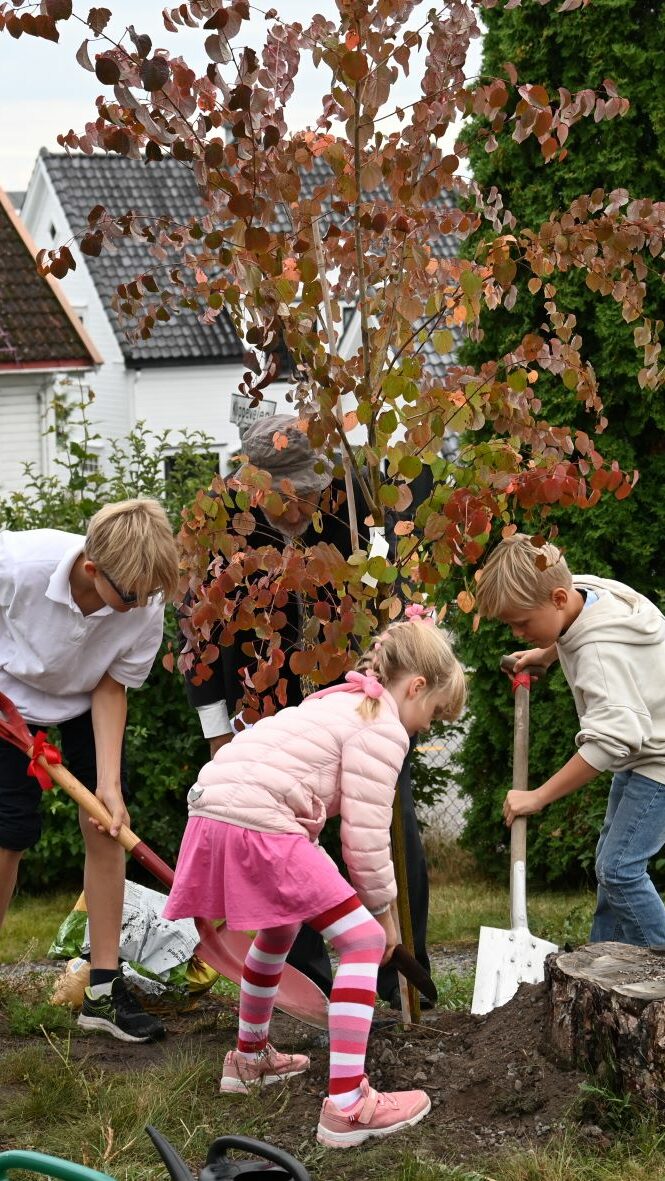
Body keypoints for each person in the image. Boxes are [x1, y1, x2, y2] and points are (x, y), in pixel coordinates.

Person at [164, 614, 466, 1147]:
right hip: (261, 823)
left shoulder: (333, 700)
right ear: (416, 687)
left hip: (210, 810)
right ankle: (348, 1105)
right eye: (434, 714)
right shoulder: (382, 725)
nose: (426, 728)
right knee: (364, 941)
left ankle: (250, 1058)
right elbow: (366, 840)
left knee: (278, 931)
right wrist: (383, 918)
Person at [180, 413, 433, 1007]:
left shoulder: (355, 504)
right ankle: (318, 990)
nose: (301, 510)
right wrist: (220, 735)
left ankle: (395, 980)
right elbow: (195, 639)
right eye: (289, 497)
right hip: (266, 712)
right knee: (286, 853)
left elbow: (394, 592)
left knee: (391, 828)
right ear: (253, 484)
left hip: (358, 698)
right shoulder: (222, 525)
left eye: (312, 493)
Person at [0, 499, 180, 1042]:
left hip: (83, 698)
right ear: (91, 568)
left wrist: (108, 785)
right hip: (7, 699)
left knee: (106, 823)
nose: (140, 606)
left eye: (149, 596)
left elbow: (110, 685)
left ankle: (103, 988)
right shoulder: (16, 566)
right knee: (9, 834)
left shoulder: (141, 596)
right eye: (131, 596)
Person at [475, 532, 665, 947]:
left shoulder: (599, 653)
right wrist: (545, 653)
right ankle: (603, 962)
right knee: (610, 866)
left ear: (558, 598)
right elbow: (577, 626)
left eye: (522, 622)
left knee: (620, 869)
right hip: (647, 748)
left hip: (658, 762)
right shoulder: (590, 591)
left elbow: (609, 743)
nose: (517, 631)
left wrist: (539, 796)